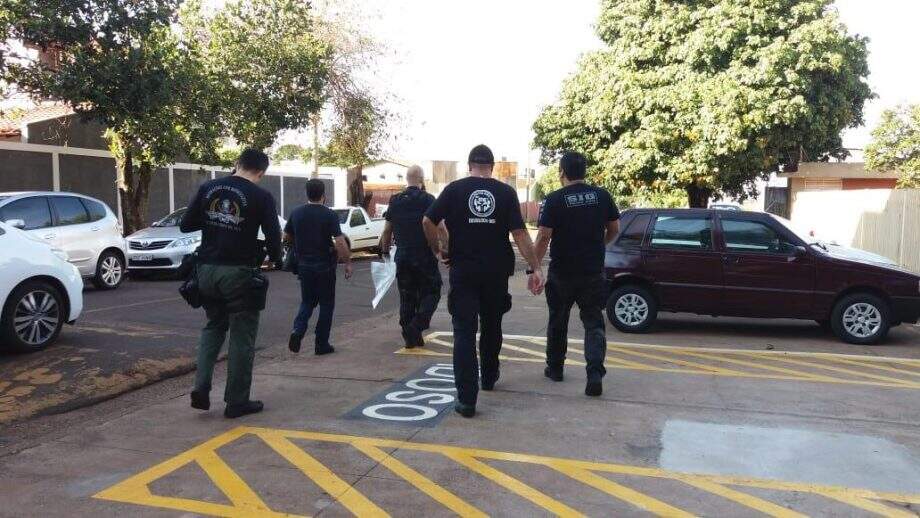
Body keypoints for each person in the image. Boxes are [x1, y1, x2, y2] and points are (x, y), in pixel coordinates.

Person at [423, 144, 544, 418]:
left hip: (464, 270)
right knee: (492, 324)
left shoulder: (454, 190)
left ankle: (467, 400)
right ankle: (488, 376)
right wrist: (535, 268)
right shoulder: (505, 192)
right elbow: (520, 234)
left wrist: (441, 248)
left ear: (469, 165)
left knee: (464, 332)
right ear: (491, 167)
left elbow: (427, 221)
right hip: (496, 271)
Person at [181, 148, 282, 419]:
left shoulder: (209, 187)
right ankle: (236, 401)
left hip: (206, 271)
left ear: (236, 164)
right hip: (238, 272)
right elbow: (273, 236)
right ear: (261, 172)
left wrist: (214, 221)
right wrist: (277, 259)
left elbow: (186, 224)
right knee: (242, 334)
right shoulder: (261, 196)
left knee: (214, 325)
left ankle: (200, 387)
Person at [534, 151, 620, 397]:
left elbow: (543, 236)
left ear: (562, 173)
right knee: (593, 323)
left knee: (558, 321)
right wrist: (600, 245)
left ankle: (555, 368)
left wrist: (536, 267)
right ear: (584, 172)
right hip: (592, 272)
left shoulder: (554, 199)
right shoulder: (602, 196)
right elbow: (614, 228)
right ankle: (594, 373)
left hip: (562, 273)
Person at [285, 179, 352, 355]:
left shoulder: (296, 213)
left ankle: (297, 331)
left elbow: (286, 236)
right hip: (325, 266)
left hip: (304, 265)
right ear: (323, 195)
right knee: (326, 304)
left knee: (307, 301)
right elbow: (339, 241)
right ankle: (321, 344)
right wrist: (347, 263)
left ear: (307, 194)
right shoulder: (329, 215)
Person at [379, 165, 442, 348]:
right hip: (423, 255)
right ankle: (417, 326)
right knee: (432, 291)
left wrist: (384, 252)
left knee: (407, 295)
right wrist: (440, 249)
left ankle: (410, 335)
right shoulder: (429, 199)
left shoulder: (395, 200)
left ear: (407, 179)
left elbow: (387, 230)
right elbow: (440, 227)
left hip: (403, 256)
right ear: (422, 179)